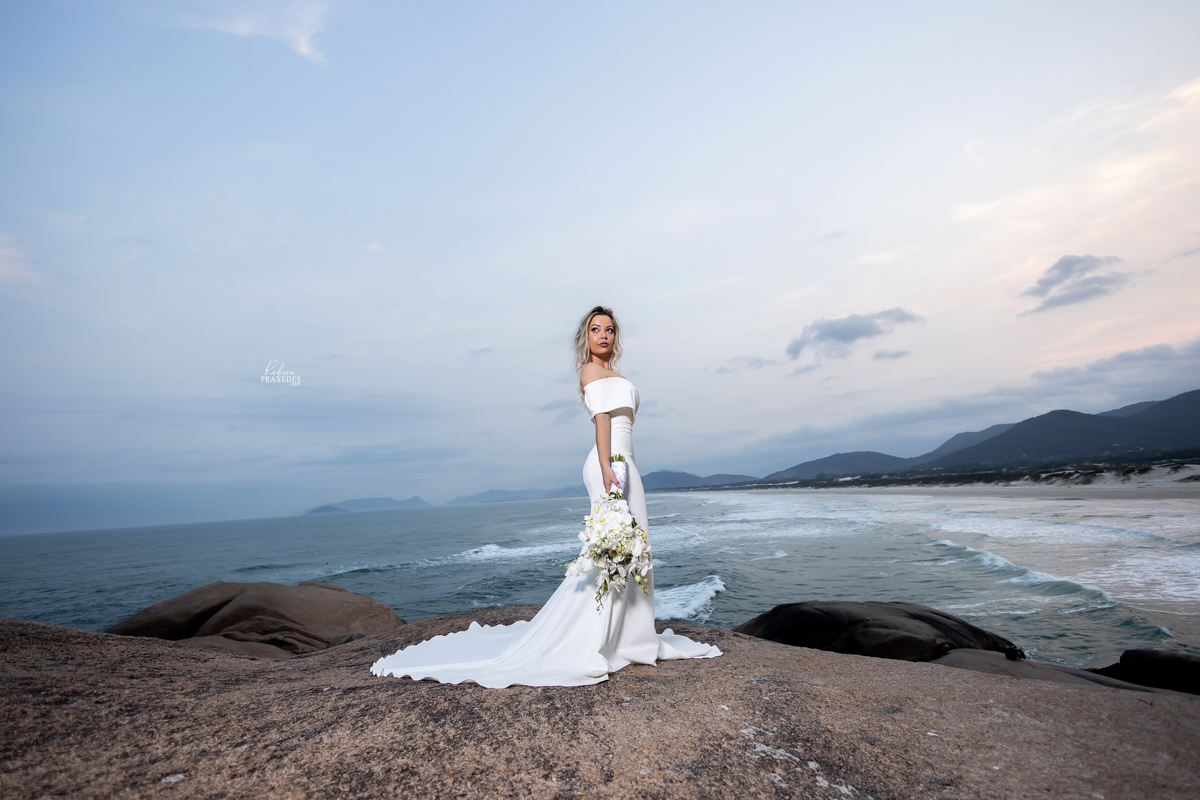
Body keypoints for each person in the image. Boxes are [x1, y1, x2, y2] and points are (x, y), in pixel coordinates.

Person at [370, 306, 721, 687]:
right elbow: (602, 420)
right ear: (585, 337)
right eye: (595, 329)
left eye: (609, 330)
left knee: (632, 550)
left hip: (625, 461)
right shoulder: (590, 370)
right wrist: (607, 467)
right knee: (612, 549)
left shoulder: (616, 374)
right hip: (611, 461)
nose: (603, 335)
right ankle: (601, 637)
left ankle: (631, 637)